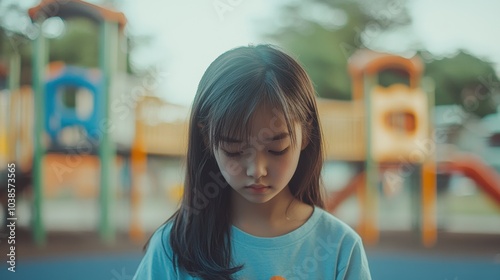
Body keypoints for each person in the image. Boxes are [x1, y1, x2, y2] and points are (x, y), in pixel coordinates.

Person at [133, 44, 372, 280]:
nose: (256, 170)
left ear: (306, 134)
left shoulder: (339, 247)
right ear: (207, 138)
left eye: (276, 149)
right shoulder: (174, 246)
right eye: (234, 150)